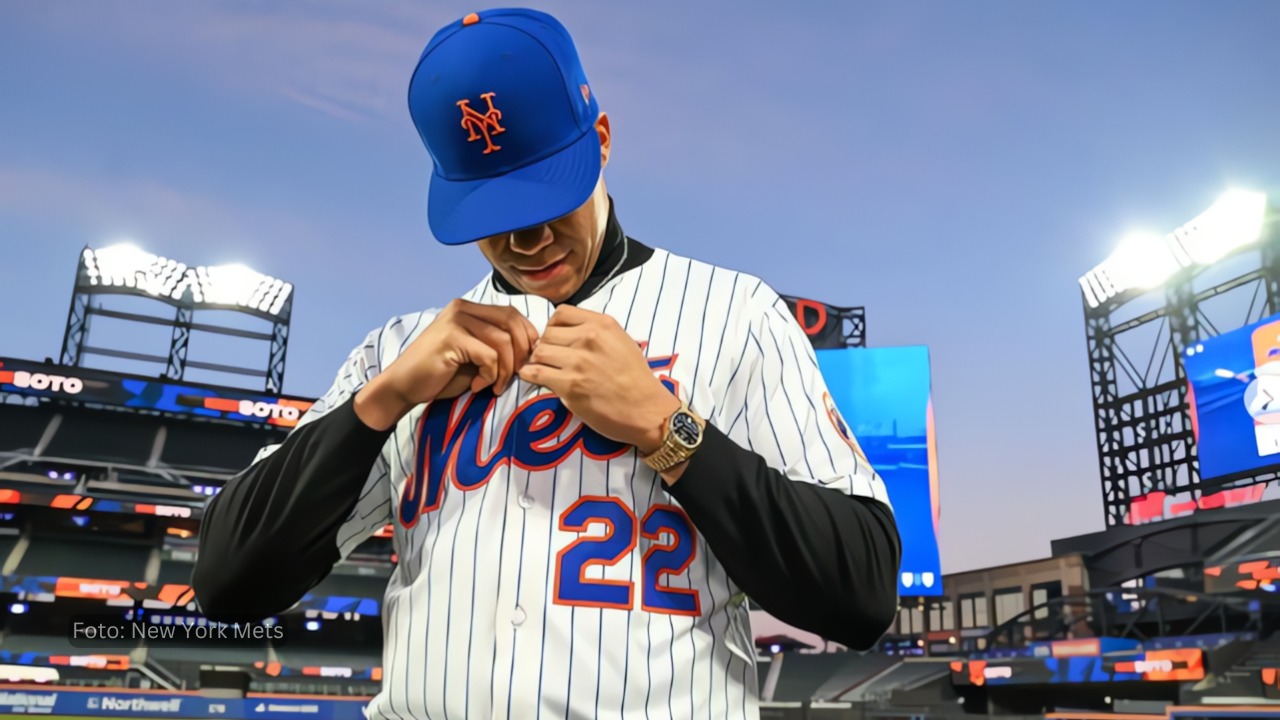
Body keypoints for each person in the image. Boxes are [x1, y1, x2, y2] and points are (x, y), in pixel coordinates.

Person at [192, 8, 901, 719]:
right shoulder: (399, 352)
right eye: (492, 210)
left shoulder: (733, 312)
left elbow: (860, 593)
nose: (527, 239)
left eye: (545, 192)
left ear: (600, 141)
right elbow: (228, 584)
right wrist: (385, 399)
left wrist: (665, 427)